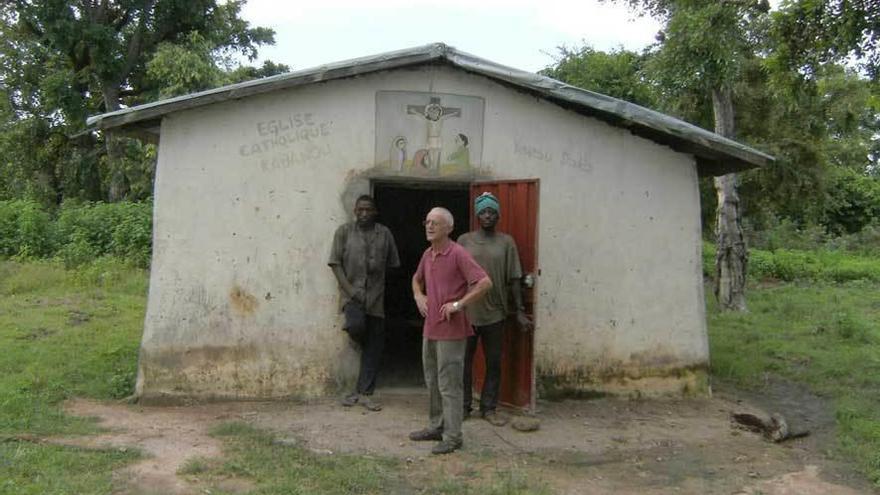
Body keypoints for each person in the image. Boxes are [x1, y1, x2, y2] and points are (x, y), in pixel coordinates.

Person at [409, 207, 492, 454]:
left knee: (449, 385)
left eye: (436, 223)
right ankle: (436, 426)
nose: (429, 226)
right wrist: (418, 295)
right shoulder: (428, 253)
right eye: (427, 222)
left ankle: (453, 436)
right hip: (430, 329)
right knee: (432, 381)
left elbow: (485, 283)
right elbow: (416, 278)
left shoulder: (457, 253)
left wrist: (458, 304)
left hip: (452, 331)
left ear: (449, 228)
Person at [458, 192, 533, 426]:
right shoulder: (464, 241)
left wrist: (519, 310)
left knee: (493, 362)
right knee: (463, 362)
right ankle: (463, 407)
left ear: (498, 215)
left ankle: (488, 408)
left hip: (496, 313)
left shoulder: (506, 242)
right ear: (477, 215)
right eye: (483, 211)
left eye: (492, 212)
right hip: (467, 313)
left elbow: (514, 278)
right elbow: (453, 275)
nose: (487, 215)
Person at [328, 194, 400, 411]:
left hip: (376, 299)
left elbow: (393, 264)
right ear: (355, 211)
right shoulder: (344, 232)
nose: (364, 214)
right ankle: (352, 386)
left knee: (375, 346)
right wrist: (350, 290)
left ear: (375, 212)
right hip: (352, 297)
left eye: (368, 210)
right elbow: (335, 263)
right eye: (360, 210)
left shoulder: (384, 233)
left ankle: (365, 393)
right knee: (356, 327)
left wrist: (379, 285)